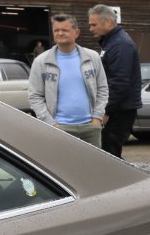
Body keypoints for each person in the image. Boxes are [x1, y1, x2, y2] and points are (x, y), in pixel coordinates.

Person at [26, 14, 108, 146]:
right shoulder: (41, 61)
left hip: (90, 128)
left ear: (76, 33)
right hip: (59, 129)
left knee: (92, 160)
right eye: (56, 30)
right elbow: (35, 96)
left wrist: (97, 117)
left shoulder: (92, 58)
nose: (60, 33)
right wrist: (50, 123)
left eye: (65, 30)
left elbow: (103, 88)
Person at [87, 4, 143, 158]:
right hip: (116, 108)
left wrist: (105, 110)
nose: (90, 29)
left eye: (94, 25)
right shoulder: (111, 43)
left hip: (119, 110)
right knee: (106, 150)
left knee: (109, 152)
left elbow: (119, 82)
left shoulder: (120, 44)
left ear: (108, 22)